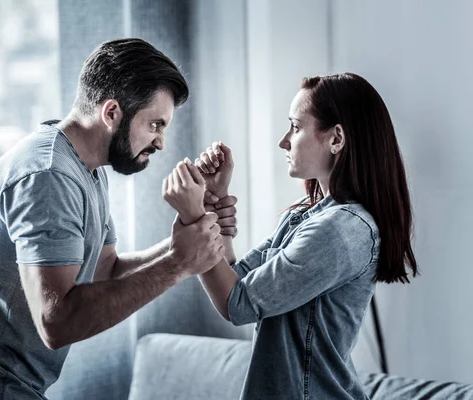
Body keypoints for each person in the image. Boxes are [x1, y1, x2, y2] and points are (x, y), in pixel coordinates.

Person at [0, 38, 237, 400]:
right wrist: (179, 263)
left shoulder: (86, 169)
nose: (161, 142)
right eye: (155, 125)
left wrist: (187, 242)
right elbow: (56, 321)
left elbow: (104, 270)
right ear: (112, 112)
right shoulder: (49, 174)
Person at [163, 72, 418, 399]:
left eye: (296, 127)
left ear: (336, 139)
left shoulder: (340, 230)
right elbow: (236, 281)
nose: (284, 140)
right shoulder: (305, 217)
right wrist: (215, 198)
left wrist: (194, 216)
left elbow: (237, 305)